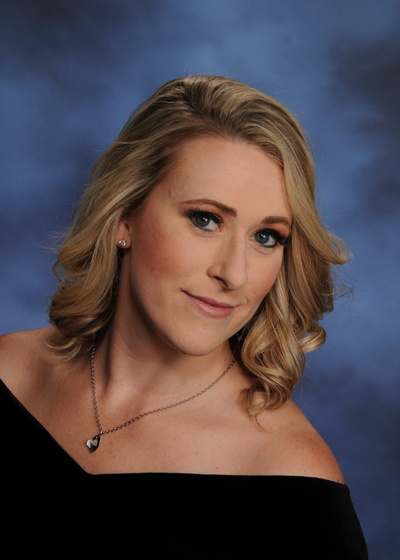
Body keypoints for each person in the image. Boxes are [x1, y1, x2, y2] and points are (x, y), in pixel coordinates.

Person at [0, 75, 368, 558]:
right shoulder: (8, 370)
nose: (233, 273)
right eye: (205, 219)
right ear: (124, 216)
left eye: (266, 237)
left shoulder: (294, 486)